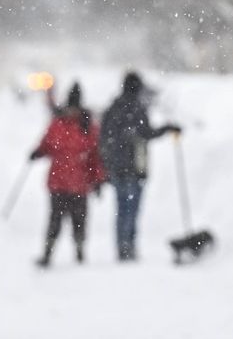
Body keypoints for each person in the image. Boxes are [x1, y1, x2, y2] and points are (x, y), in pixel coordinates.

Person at [98, 72, 181, 262]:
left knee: (121, 208)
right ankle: (129, 245)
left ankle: (122, 246)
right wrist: (168, 129)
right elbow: (148, 133)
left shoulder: (114, 109)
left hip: (118, 168)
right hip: (136, 167)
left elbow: (104, 139)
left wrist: (107, 164)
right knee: (132, 209)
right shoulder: (137, 109)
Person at [30, 83, 105, 268]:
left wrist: (98, 180)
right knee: (54, 221)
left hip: (80, 184)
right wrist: (37, 152)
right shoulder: (57, 123)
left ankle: (79, 252)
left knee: (79, 222)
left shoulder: (88, 127)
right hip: (58, 183)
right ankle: (47, 253)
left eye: (75, 108)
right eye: (71, 108)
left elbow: (96, 156)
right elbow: (47, 144)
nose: (73, 111)